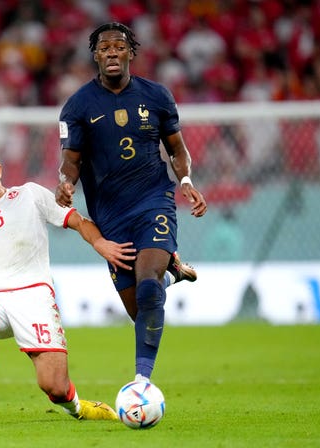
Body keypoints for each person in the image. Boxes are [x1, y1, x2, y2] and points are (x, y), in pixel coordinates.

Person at [0, 140, 136, 426]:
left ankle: (78, 407)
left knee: (55, 387)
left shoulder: (30, 195)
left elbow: (77, 221)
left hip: (34, 297)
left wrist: (101, 244)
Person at [55, 23, 208, 384]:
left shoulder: (157, 96)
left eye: (118, 46)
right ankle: (169, 270)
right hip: (110, 217)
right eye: (104, 47)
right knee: (140, 309)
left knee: (149, 287)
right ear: (95, 55)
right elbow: (71, 159)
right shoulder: (77, 106)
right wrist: (65, 183)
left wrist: (185, 180)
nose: (111, 52)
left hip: (154, 201)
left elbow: (176, 149)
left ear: (130, 53)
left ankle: (142, 382)